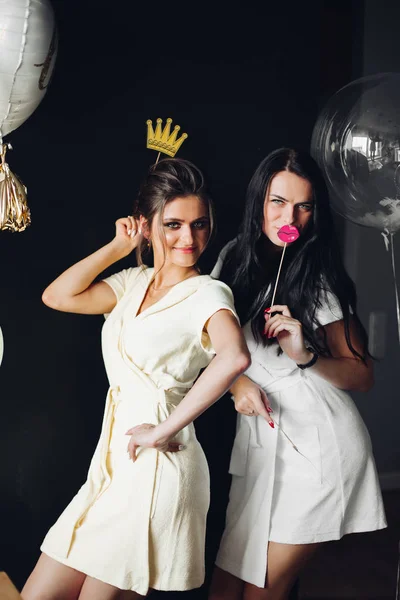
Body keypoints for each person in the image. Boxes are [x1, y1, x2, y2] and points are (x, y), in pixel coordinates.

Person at [22, 158, 251, 600]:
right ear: (146, 226)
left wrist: (164, 429)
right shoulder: (133, 281)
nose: (190, 238)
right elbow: (57, 296)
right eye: (174, 225)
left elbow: (234, 356)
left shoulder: (209, 292)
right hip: (109, 467)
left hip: (158, 468)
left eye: (200, 224)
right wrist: (116, 248)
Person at [209, 148, 387, 600]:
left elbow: (361, 375)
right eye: (278, 202)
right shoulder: (233, 258)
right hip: (261, 447)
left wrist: (305, 353)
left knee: (263, 591)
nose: (292, 216)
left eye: (304, 206)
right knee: (225, 590)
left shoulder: (317, 276)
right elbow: (209, 337)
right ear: (259, 202)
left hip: (318, 448)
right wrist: (236, 380)